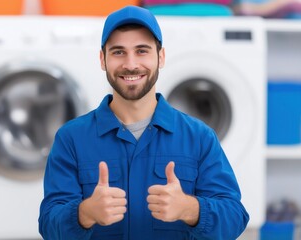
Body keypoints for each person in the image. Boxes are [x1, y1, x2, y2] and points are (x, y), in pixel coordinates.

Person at [38, 5, 249, 240]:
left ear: (161, 57)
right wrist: (84, 213)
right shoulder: (71, 139)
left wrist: (190, 209)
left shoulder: (199, 137)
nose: (130, 64)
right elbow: (48, 224)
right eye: (118, 52)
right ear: (102, 59)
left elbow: (235, 217)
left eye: (142, 51)